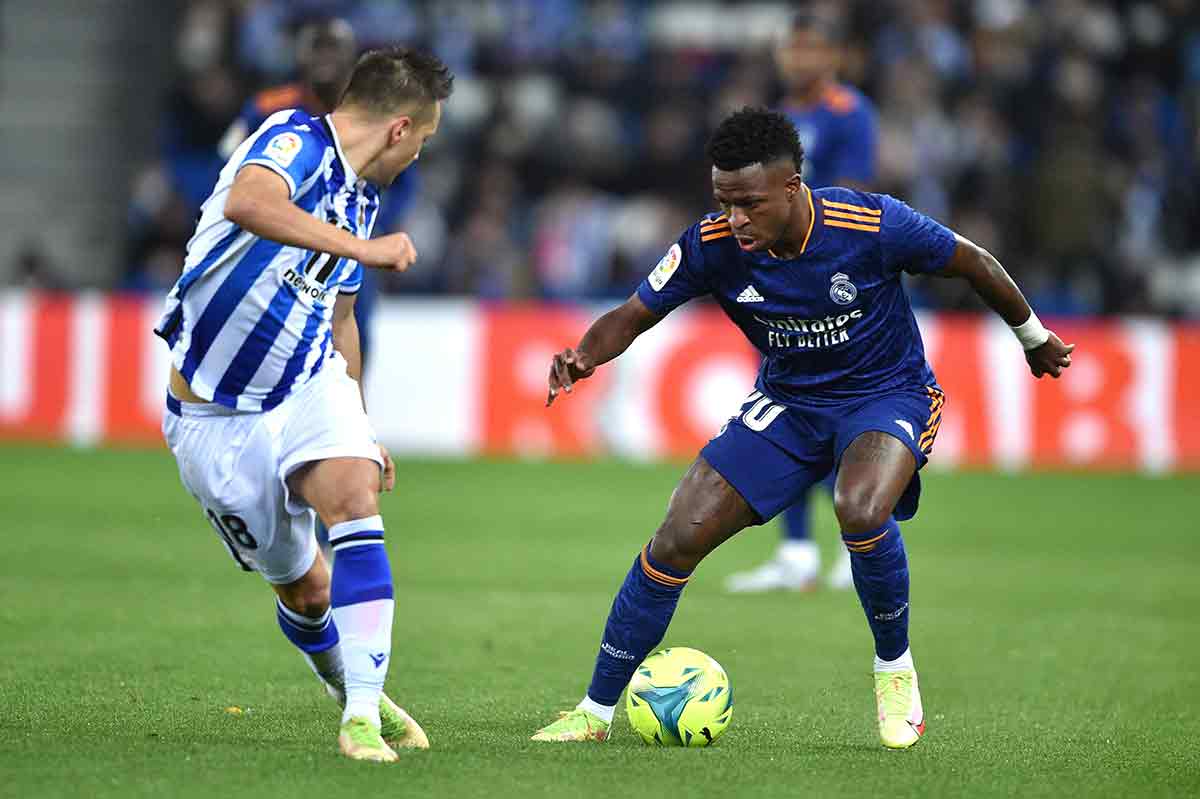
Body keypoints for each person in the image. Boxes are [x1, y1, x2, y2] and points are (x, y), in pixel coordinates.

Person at [531, 108, 1073, 749]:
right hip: (788, 404)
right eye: (724, 202)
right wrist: (584, 356)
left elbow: (974, 262)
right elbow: (634, 312)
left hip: (885, 393)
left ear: (792, 187)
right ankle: (594, 713)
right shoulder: (709, 245)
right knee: (676, 537)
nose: (735, 219)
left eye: (749, 204)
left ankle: (894, 670)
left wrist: (1033, 336)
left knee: (859, 507)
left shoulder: (870, 224)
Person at [156, 47, 453, 763]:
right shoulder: (294, 139)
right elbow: (250, 204)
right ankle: (345, 682)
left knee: (355, 497)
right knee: (308, 592)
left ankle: (361, 716)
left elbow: (342, 319)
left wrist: (362, 423)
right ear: (399, 128)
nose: (418, 155)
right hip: (215, 419)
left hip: (306, 382)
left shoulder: (363, 202)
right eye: (423, 139)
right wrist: (363, 248)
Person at [725, 8, 878, 594]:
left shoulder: (850, 112)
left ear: (832, 55)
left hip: (831, 279)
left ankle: (857, 540)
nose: (799, 58)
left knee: (835, 412)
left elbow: (854, 195)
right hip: (777, 281)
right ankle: (795, 552)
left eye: (811, 47)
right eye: (792, 48)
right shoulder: (778, 118)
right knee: (783, 406)